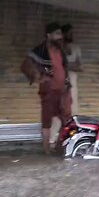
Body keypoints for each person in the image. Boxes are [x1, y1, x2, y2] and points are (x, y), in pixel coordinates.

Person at [21, 22, 72, 154]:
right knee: (47, 120)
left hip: (63, 90)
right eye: (57, 34)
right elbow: (26, 65)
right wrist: (39, 77)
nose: (60, 36)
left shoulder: (61, 50)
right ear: (48, 35)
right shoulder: (40, 50)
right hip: (49, 90)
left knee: (66, 118)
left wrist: (67, 84)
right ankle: (46, 149)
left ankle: (60, 146)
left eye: (60, 33)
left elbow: (64, 68)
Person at [61, 23, 84, 115]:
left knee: (72, 105)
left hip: (72, 81)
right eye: (68, 33)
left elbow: (80, 66)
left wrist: (66, 65)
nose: (71, 35)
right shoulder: (58, 48)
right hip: (60, 81)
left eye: (72, 33)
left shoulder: (76, 47)